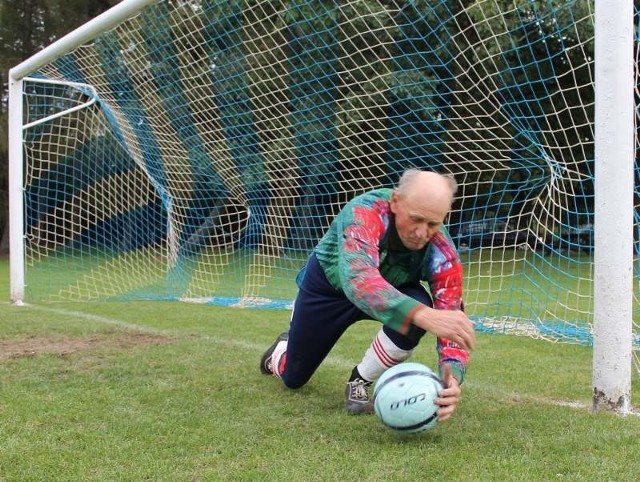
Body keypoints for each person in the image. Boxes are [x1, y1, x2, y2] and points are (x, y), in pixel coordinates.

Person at [259, 169, 476, 421]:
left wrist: (452, 377)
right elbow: (359, 280)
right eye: (415, 219)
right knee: (293, 378)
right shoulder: (364, 212)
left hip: (393, 290)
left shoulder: (442, 252)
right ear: (395, 201)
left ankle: (360, 381)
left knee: (419, 306)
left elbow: (451, 320)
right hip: (330, 289)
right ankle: (281, 351)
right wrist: (425, 315)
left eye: (433, 224)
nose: (421, 233)